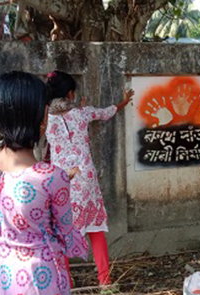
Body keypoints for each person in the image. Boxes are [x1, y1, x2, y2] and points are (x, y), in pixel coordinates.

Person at [0, 71, 88, 295]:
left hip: (1, 281)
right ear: (42, 119)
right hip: (41, 283)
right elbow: (66, 234)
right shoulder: (52, 177)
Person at [45, 70, 134, 292]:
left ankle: (66, 281)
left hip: (60, 181)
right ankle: (105, 282)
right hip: (86, 179)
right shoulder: (82, 114)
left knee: (62, 232)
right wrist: (124, 101)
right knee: (95, 230)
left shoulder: (45, 118)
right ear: (70, 94)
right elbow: (107, 113)